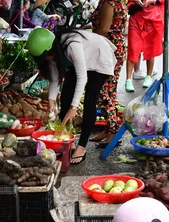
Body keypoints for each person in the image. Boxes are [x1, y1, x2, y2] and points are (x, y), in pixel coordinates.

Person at [25, 28, 116, 164]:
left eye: (47, 57)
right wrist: (51, 100)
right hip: (80, 64)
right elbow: (55, 80)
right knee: (65, 96)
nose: (47, 60)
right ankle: (68, 140)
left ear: (51, 49)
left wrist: (74, 107)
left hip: (99, 58)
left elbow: (82, 77)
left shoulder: (72, 45)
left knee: (90, 100)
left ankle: (81, 147)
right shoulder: (51, 53)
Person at [90, 0, 128, 147]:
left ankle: (114, 131)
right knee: (107, 90)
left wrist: (86, 41)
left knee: (105, 91)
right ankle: (108, 128)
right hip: (114, 47)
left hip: (109, 49)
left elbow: (104, 28)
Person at [124, 0, 165, 92]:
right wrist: (136, 0)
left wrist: (152, 0)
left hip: (153, 19)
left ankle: (148, 75)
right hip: (137, 18)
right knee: (134, 47)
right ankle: (128, 79)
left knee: (151, 48)